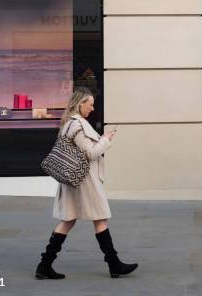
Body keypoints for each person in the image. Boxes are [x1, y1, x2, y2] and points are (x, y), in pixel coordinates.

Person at [35, 87, 138, 279]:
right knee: (99, 218)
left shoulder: (69, 124)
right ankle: (114, 264)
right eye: (90, 104)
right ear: (81, 103)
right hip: (84, 180)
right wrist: (105, 140)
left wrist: (101, 140)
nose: (92, 108)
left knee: (69, 220)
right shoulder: (78, 125)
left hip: (73, 179)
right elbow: (90, 153)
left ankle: (45, 264)